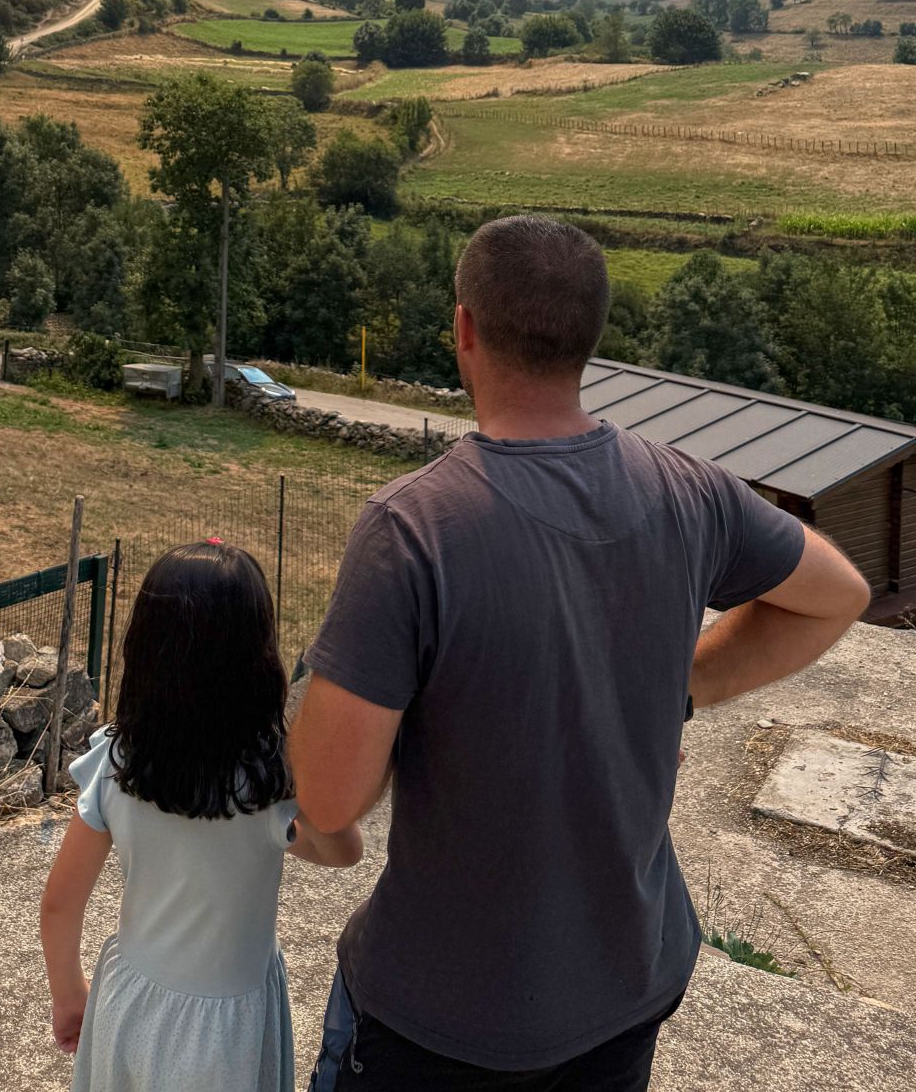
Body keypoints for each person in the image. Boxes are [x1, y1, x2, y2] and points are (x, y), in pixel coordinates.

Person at [291, 214, 870, 1091]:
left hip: (447, 1016)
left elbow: (328, 799)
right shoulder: (690, 489)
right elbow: (838, 594)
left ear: (465, 329)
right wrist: (683, 687)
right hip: (628, 985)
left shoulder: (412, 530)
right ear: (590, 337)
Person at [40, 541, 363, 1091]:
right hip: (229, 1035)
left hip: (128, 1005)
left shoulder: (117, 760)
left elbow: (59, 905)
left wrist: (69, 994)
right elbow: (345, 851)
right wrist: (308, 781)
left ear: (145, 650)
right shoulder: (271, 779)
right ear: (258, 660)